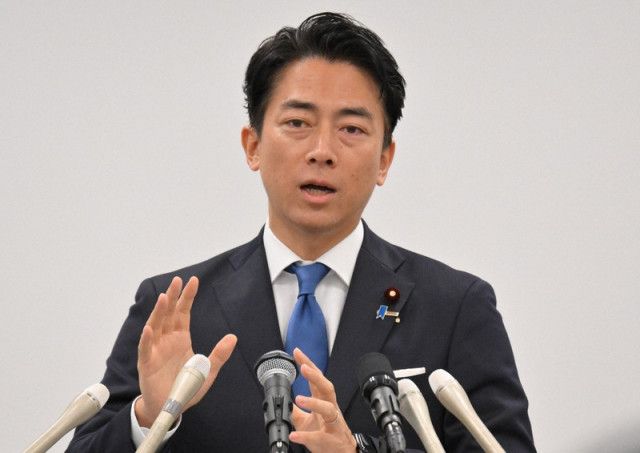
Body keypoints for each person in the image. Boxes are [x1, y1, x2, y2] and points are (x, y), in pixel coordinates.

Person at [68, 12, 535, 452]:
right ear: (253, 145)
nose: (322, 150)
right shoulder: (176, 308)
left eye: (351, 128)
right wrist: (151, 414)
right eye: (297, 123)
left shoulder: (455, 309)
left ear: (384, 160)